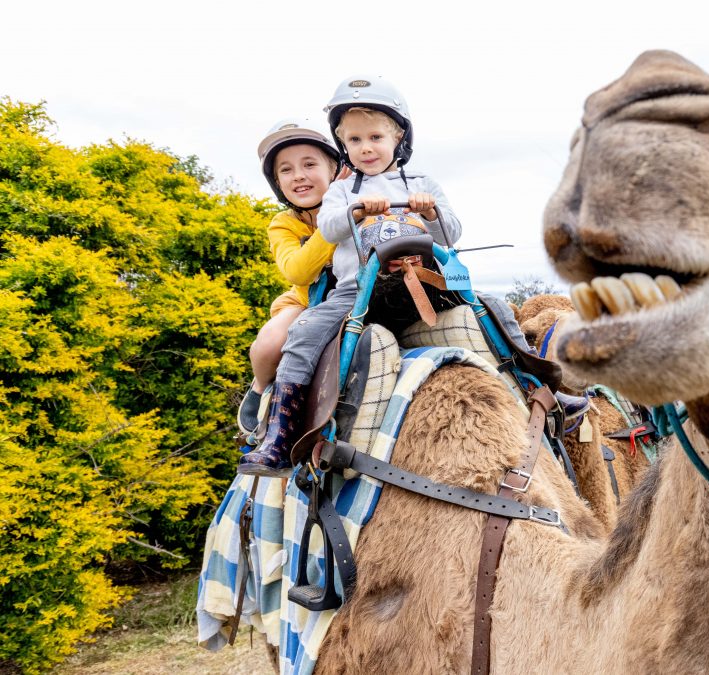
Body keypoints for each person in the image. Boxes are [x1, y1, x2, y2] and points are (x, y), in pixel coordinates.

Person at [238, 76, 586, 476]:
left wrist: (431, 211)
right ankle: (281, 435)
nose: (366, 148)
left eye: (375, 137)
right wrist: (355, 211)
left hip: (422, 283)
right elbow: (330, 229)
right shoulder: (341, 192)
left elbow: (451, 234)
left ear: (397, 137)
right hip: (358, 290)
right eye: (354, 141)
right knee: (304, 333)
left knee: (492, 307)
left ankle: (539, 388)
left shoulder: (423, 183)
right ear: (343, 146)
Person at [236, 120, 342, 437]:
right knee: (269, 344)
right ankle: (259, 388)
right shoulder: (284, 224)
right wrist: (336, 222)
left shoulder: (360, 203)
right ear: (277, 182)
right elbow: (298, 271)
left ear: (335, 171)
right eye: (286, 170)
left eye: (309, 164)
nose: (298, 175)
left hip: (355, 297)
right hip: (307, 301)